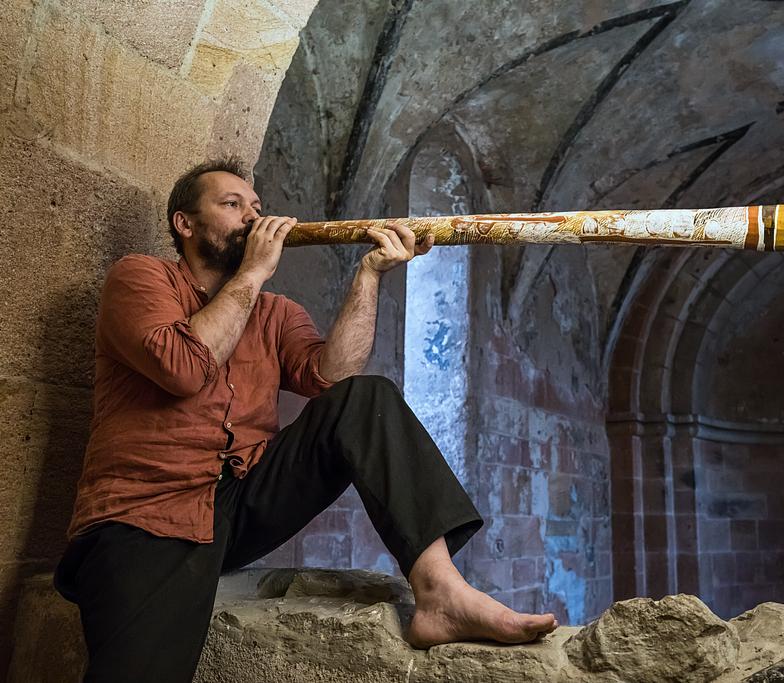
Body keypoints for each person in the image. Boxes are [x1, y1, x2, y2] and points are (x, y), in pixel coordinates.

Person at [53, 157, 557, 682]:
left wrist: (370, 274)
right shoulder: (140, 278)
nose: (253, 218)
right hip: (148, 510)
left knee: (365, 398)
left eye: (256, 207)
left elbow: (332, 378)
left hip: (244, 499)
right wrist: (253, 272)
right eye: (232, 205)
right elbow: (184, 369)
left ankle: (440, 590)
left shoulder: (276, 312)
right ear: (185, 224)